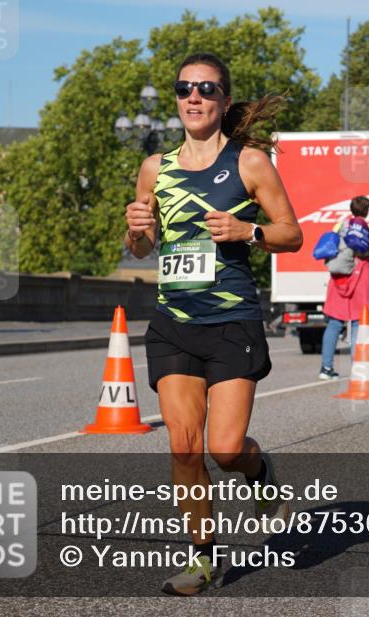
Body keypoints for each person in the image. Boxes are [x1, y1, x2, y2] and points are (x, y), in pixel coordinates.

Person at [124, 52, 303, 595]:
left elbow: (291, 233)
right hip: (174, 320)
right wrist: (134, 230)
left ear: (224, 101)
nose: (193, 98)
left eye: (206, 89)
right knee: (183, 446)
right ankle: (202, 558)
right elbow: (141, 247)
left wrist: (245, 233)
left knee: (225, 448)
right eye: (184, 89)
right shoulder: (156, 168)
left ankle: (259, 472)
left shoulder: (248, 163)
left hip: (231, 321)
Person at [319, 195, 369, 380]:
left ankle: (326, 368)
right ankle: (358, 367)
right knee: (358, 322)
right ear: (367, 210)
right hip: (361, 276)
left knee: (334, 323)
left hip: (339, 277)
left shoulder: (340, 226)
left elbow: (330, 248)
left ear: (351, 209)